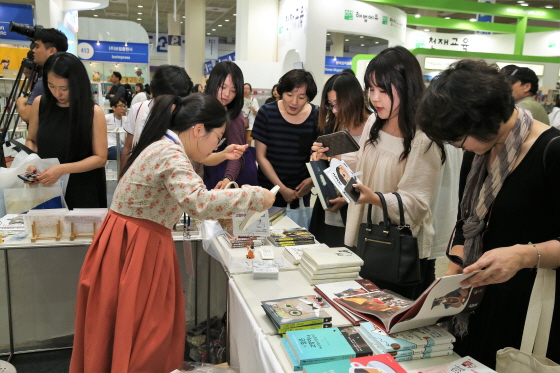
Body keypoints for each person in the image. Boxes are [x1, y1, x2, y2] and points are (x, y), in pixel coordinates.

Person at [69, 93, 275, 373]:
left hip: (136, 243)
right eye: (219, 137)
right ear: (199, 129)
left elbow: (194, 199)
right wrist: (253, 197)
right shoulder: (169, 152)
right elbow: (199, 203)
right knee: (146, 335)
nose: (218, 145)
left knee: (138, 331)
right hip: (137, 248)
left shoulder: (164, 146)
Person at [416, 59, 560, 369]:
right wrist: (449, 278)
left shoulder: (551, 150)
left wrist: (524, 255)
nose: (458, 147)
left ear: (483, 120)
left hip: (529, 304)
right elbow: (465, 221)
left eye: (459, 138)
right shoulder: (479, 151)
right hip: (477, 300)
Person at [341, 46, 443, 300]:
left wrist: (374, 198)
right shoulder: (374, 122)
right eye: (371, 89)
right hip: (365, 238)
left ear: (406, 86)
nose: (374, 98)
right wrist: (332, 159)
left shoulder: (424, 137)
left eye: (383, 90)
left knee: (392, 329)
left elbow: (418, 203)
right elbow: (363, 163)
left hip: (399, 250)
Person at [25, 52, 107, 209]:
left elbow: (100, 158)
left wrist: (61, 169)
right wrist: (31, 162)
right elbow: (32, 140)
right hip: (47, 187)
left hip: (82, 189)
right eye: (51, 86)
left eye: (64, 87)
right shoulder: (39, 103)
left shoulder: (92, 112)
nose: (57, 93)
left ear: (77, 84)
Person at [308, 72, 369, 247]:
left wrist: (347, 198)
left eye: (339, 105)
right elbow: (327, 169)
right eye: (331, 105)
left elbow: (374, 174)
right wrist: (317, 161)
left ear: (355, 99)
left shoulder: (374, 128)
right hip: (329, 210)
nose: (335, 111)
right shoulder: (332, 127)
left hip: (362, 212)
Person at [252, 69, 319, 207]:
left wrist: (312, 180)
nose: (294, 102)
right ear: (281, 92)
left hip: (301, 192)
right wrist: (281, 189)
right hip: (268, 190)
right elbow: (261, 156)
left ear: (308, 98)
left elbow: (322, 156)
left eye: (301, 98)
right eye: (289, 95)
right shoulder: (267, 113)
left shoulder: (317, 116)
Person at [121, 65, 193, 169]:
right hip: (141, 175)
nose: (172, 105)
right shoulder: (138, 110)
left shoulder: (186, 114)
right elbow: (128, 147)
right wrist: (122, 177)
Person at [203, 61, 258, 188]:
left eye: (233, 90)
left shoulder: (233, 116)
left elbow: (236, 154)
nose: (227, 94)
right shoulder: (199, 108)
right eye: (223, 87)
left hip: (225, 176)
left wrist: (228, 179)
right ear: (213, 83)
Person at [16, 28, 68, 123]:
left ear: (51, 51)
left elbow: (28, 116)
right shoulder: (68, 73)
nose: (33, 51)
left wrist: (20, 102)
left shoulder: (47, 81)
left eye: (37, 47)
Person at [105, 96, 128, 160]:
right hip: (110, 147)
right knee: (121, 153)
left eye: (124, 106)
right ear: (113, 108)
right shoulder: (106, 118)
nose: (123, 108)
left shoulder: (126, 119)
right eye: (121, 106)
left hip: (122, 147)